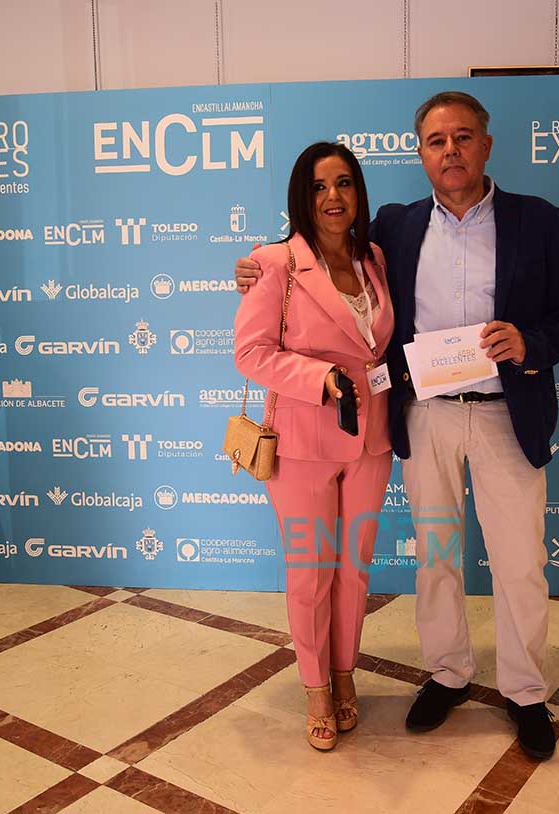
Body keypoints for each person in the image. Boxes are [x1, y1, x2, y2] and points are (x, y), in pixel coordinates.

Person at [235, 92, 559, 760]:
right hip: (423, 415)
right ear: (421, 154)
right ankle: (448, 673)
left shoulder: (538, 220)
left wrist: (531, 343)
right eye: (436, 141)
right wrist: (254, 267)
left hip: (506, 413)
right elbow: (313, 263)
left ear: (486, 145)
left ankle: (524, 692)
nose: (450, 150)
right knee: (435, 556)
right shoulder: (395, 230)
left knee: (520, 562)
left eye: (463, 137)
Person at [233, 141, 394, 751]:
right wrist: (317, 377)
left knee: (354, 570)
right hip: (303, 444)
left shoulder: (374, 257)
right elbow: (250, 353)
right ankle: (316, 688)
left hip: (371, 440)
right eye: (320, 186)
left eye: (344, 183)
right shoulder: (274, 262)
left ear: (359, 193)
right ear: (302, 197)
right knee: (310, 573)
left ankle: (345, 671)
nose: (333, 196)